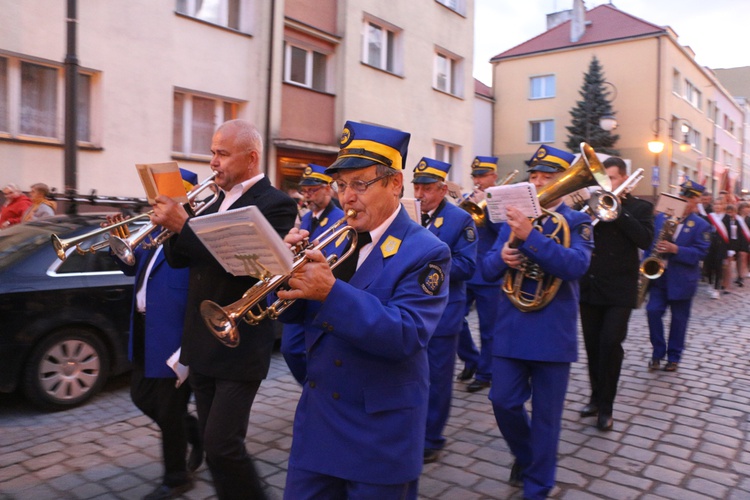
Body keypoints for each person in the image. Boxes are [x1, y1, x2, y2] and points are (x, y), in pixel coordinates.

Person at [275, 121, 451, 499]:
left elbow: (407, 334)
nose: (347, 198)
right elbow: (300, 315)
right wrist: (281, 277)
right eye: (341, 185)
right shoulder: (335, 240)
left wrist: (330, 292)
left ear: (395, 183)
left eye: (360, 184)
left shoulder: (427, 251)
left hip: (380, 432)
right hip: (320, 424)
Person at [151, 119, 298, 499]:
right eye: (212, 152)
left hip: (239, 343)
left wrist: (185, 227)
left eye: (222, 153)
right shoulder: (213, 200)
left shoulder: (275, 203)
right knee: (219, 450)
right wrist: (172, 226)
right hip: (201, 338)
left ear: (250, 158)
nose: (213, 161)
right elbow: (183, 260)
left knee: (222, 445)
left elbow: (246, 266)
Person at [482, 145, 593, 499]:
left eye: (548, 177)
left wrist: (531, 236)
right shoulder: (511, 217)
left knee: (547, 418)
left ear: (565, 181)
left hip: (552, 332)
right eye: (535, 176)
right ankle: (529, 456)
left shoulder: (577, 221)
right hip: (512, 327)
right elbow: (485, 270)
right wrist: (501, 256)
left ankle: (538, 485)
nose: (540, 182)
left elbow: (574, 267)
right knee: (502, 401)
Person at [108, 169, 202, 500]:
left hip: (174, 336)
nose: (156, 207)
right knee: (140, 395)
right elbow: (134, 267)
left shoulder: (193, 238)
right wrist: (118, 244)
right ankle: (197, 433)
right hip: (145, 329)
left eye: (163, 200)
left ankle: (176, 477)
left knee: (169, 409)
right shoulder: (152, 234)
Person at [578, 157, 654, 431]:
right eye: (602, 179)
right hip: (589, 286)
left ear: (624, 178)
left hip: (620, 289)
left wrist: (617, 209)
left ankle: (607, 406)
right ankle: (595, 397)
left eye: (610, 178)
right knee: (592, 346)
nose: (605, 184)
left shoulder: (640, 207)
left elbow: (645, 240)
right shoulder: (587, 206)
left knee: (610, 345)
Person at [412, 157, 477, 464]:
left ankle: (432, 437)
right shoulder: (410, 214)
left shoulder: (460, 220)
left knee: (437, 378)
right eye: (416, 187)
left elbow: (468, 266)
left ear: (441, 189)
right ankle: (413, 428)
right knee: (412, 375)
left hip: (444, 311)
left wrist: (432, 263)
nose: (420, 194)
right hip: (410, 307)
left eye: (426, 188)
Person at [280, 163, 344, 384]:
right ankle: (311, 388)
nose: (307, 196)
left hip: (319, 294)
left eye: (313, 190)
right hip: (300, 291)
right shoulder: (306, 218)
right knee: (290, 349)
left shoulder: (339, 218)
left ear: (328, 188)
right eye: (305, 191)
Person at [646, 180, 711, 372]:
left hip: (682, 280)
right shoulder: (662, 218)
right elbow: (651, 243)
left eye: (688, 199)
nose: (683, 202)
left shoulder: (701, 225)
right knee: (652, 312)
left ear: (695, 202)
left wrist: (676, 249)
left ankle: (674, 357)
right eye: (681, 198)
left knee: (679, 320)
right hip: (659, 277)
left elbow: (701, 253)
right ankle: (658, 352)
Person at [456, 156, 502, 393]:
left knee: (489, 328)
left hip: (490, 274)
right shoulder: (469, 199)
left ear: (494, 176)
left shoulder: (501, 200)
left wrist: (489, 209)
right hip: (467, 272)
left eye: (483, 175)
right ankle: (471, 358)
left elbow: (505, 232)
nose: (478, 180)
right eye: (475, 176)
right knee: (454, 319)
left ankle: (486, 372)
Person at [704, 196, 728, 299]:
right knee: (709, 266)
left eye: (720, 204)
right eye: (716, 204)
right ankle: (710, 283)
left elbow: (730, 234)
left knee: (719, 267)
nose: (717, 206)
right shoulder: (709, 217)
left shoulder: (726, 218)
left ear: (724, 206)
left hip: (722, 245)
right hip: (710, 245)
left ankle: (716, 288)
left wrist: (731, 249)